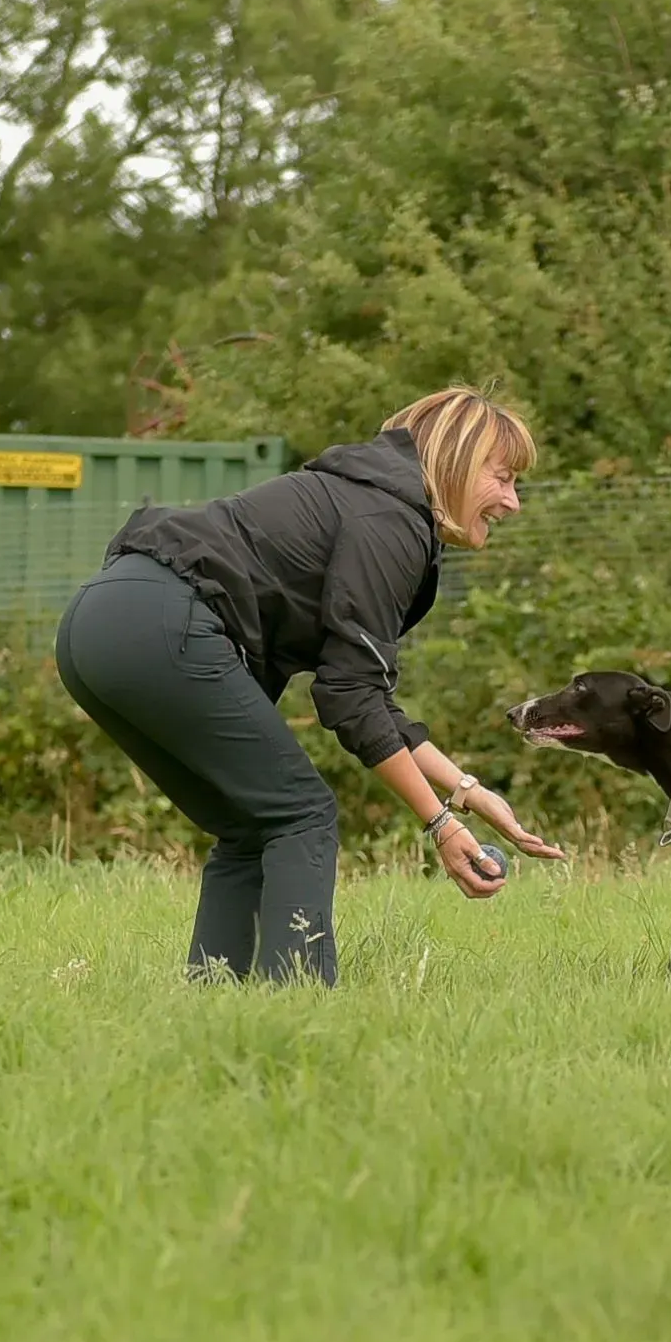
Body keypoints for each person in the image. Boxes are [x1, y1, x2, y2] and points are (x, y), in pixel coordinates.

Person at [52, 387, 564, 984]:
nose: (513, 501)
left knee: (251, 823)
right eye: (502, 478)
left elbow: (361, 692)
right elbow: (352, 700)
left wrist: (465, 792)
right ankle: (296, 1007)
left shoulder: (370, 501)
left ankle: (213, 1002)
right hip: (165, 623)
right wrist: (439, 824)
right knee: (304, 816)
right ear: (456, 460)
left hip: (97, 624)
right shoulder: (392, 520)